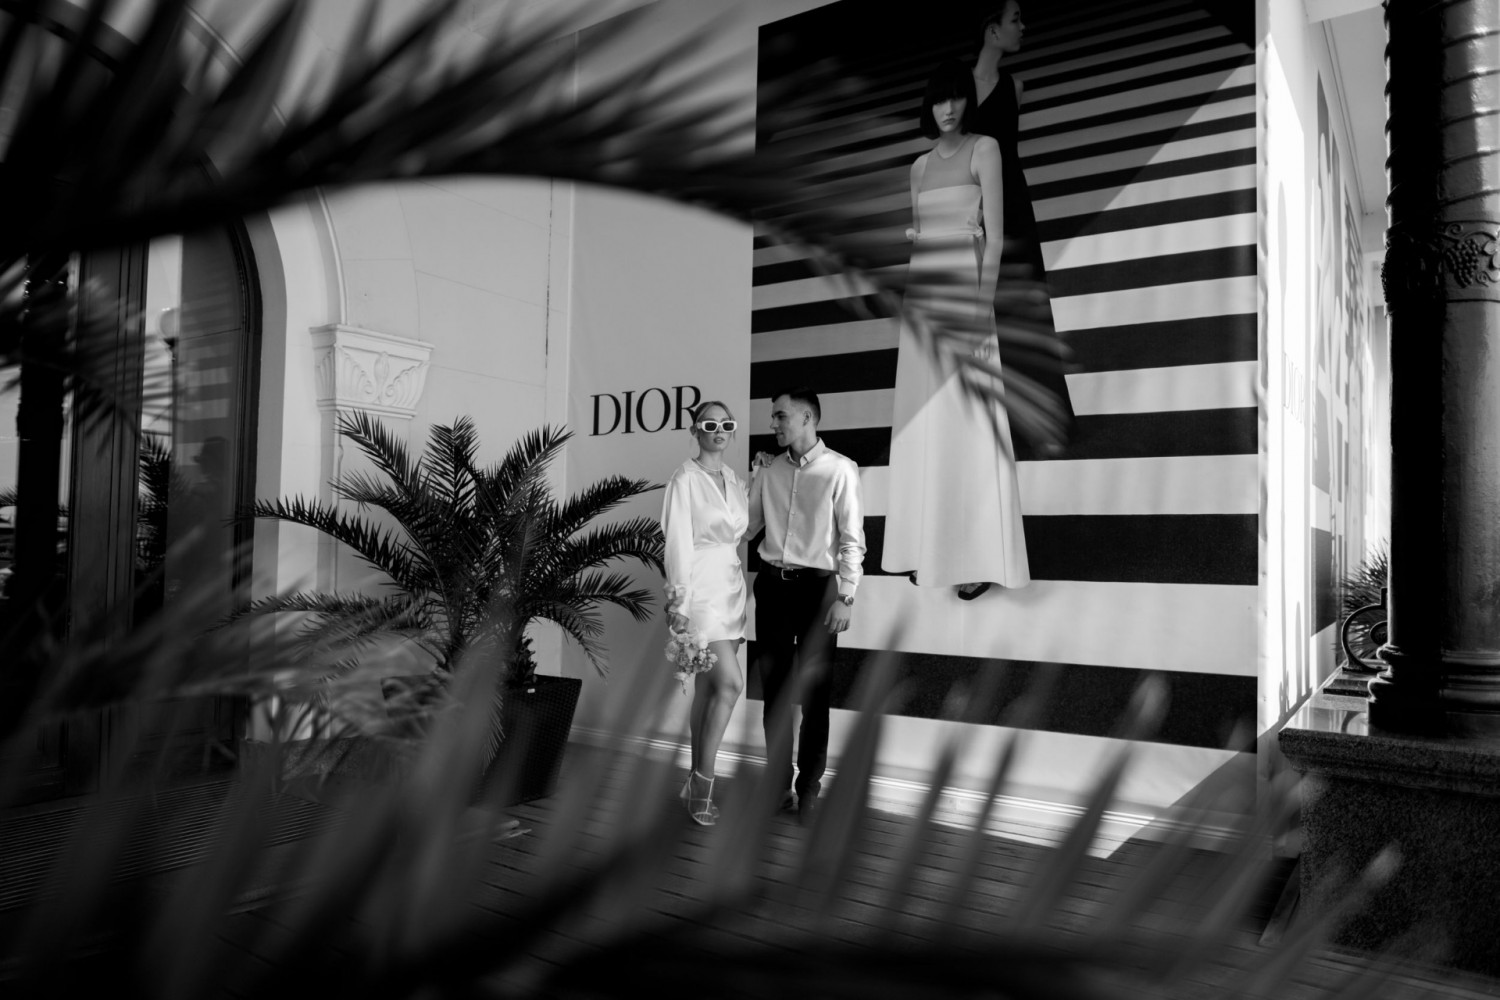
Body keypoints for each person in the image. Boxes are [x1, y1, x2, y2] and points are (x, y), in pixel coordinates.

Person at [881, 60, 1031, 599]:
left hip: (967, 299)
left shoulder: (984, 149)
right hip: (924, 302)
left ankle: (977, 557)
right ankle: (928, 547)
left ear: (968, 100)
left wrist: (980, 311)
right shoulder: (919, 167)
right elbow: (920, 236)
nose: (947, 109)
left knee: (969, 427)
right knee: (926, 426)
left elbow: (996, 238)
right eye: (939, 100)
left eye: (956, 98)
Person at [747, 388, 865, 825]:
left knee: (816, 695)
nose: (773, 424)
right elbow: (748, 527)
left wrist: (846, 596)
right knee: (775, 692)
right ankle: (777, 787)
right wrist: (753, 478)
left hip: (819, 592)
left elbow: (852, 539)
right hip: (772, 588)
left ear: (807, 418)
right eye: (774, 416)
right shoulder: (769, 468)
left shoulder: (840, 469)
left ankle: (809, 790)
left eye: (780, 416)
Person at [968, 1, 1076, 434]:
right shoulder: (958, 91)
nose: (1023, 27)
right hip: (974, 207)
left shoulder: (1015, 87)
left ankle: (1044, 416)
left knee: (1028, 306)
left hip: (1014, 205)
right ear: (992, 30)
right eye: (1015, 20)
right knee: (982, 306)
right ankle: (991, 421)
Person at [661, 401, 750, 826]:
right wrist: (679, 603)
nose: (719, 430)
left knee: (711, 690)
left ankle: (693, 779)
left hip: (732, 589)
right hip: (699, 593)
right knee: (731, 684)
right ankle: (703, 783)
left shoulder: (733, 479)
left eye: (726, 424)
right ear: (695, 431)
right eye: (709, 424)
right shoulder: (684, 479)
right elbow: (676, 543)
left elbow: (741, 531)